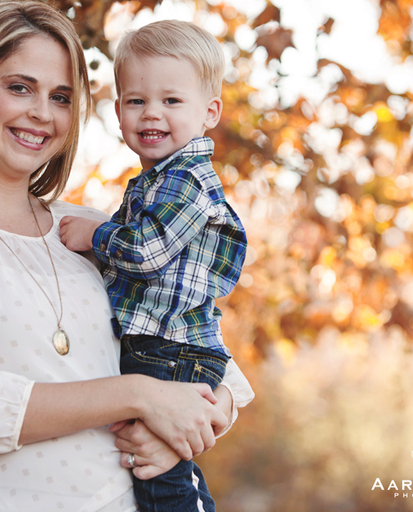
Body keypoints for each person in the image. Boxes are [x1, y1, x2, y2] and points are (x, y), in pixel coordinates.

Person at [0, 2, 254, 511]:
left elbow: (221, 374)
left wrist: (182, 429)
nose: (42, 113)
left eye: (62, 97)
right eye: (19, 87)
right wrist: (141, 396)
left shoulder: (87, 229)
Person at [59, 20, 248, 512]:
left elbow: (145, 253)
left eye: (171, 101)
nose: (152, 114)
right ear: (118, 109)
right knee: (162, 465)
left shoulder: (185, 181)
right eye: (136, 100)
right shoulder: (154, 183)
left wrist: (94, 237)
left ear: (210, 112)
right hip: (169, 349)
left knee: (158, 473)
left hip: (170, 351)